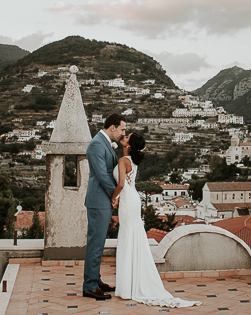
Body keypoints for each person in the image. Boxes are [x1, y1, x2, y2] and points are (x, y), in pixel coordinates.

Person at [111, 132, 201, 308]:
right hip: (132, 200)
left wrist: (113, 198)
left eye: (127, 137)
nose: (124, 137)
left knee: (127, 238)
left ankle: (127, 287)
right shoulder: (131, 161)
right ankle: (129, 285)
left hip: (128, 200)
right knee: (131, 238)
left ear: (129, 145)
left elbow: (121, 185)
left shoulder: (123, 161)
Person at [82, 114, 127, 300]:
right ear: (113, 127)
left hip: (103, 201)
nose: (123, 133)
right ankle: (90, 286)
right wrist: (116, 195)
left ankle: (95, 280)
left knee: (99, 243)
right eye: (122, 129)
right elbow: (102, 175)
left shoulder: (104, 142)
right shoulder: (96, 144)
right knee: (95, 244)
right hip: (99, 201)